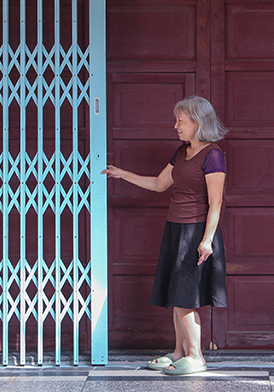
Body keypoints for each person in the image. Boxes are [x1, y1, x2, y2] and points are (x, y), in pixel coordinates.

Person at [102, 95, 228, 375]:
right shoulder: (182, 153)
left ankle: (197, 357)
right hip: (175, 229)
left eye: (181, 121)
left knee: (186, 296)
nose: (176, 126)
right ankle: (178, 352)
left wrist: (207, 240)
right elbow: (160, 184)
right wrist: (123, 174)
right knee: (176, 295)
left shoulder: (213, 155)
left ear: (197, 122)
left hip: (196, 231)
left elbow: (216, 202)